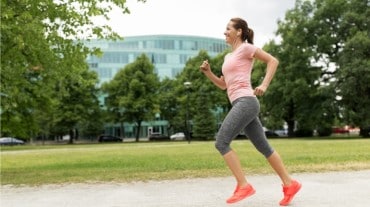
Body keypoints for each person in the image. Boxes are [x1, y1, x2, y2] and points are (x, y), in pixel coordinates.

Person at [199, 17, 301, 206]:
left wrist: (264, 84)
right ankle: (290, 183)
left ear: (239, 31)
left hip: (246, 102)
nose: (224, 32)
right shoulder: (228, 57)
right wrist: (208, 73)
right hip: (241, 103)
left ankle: (243, 185)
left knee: (221, 142)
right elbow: (223, 85)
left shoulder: (246, 48)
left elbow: (273, 61)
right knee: (264, 147)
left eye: (228, 28)